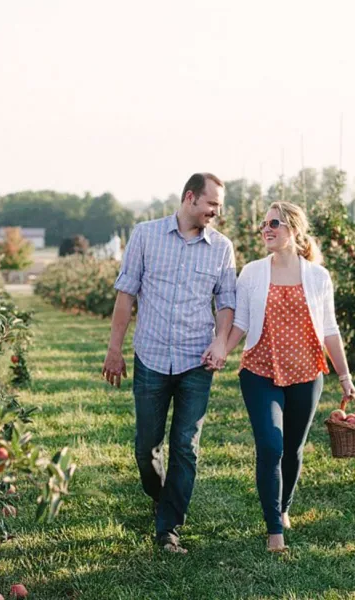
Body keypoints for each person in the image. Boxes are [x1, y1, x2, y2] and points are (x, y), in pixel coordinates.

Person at [102, 172, 236, 554]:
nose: (216, 211)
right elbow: (126, 295)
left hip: (197, 360)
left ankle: (169, 529)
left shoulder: (222, 248)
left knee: (185, 446)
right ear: (190, 198)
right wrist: (115, 349)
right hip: (152, 357)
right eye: (212, 204)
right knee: (146, 447)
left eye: (219, 206)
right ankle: (161, 496)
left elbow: (226, 302)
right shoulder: (145, 235)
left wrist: (221, 342)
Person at [221, 201, 355, 552]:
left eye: (275, 223)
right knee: (270, 445)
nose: (267, 229)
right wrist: (221, 347)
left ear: (294, 230)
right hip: (260, 371)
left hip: (306, 373)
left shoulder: (317, 276)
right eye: (264, 224)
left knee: (292, 449)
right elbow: (241, 322)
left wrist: (344, 376)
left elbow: (329, 329)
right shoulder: (252, 272)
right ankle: (273, 530)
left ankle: (283, 508)